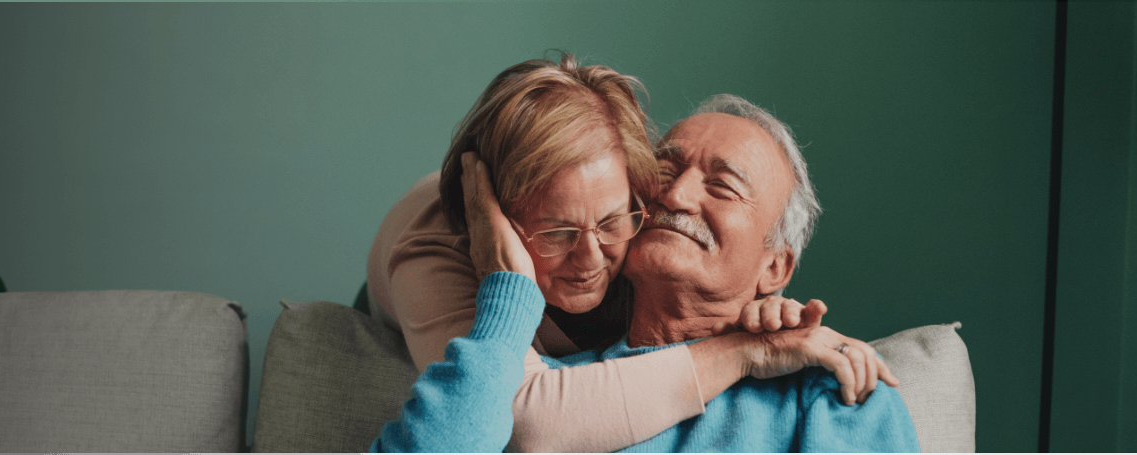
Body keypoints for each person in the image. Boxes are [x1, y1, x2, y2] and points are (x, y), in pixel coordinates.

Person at [370, 94, 916, 452]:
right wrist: (752, 349)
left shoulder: (832, 387)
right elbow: (522, 419)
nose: (675, 195)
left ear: (776, 268)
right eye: (665, 168)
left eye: (722, 187)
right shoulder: (555, 388)